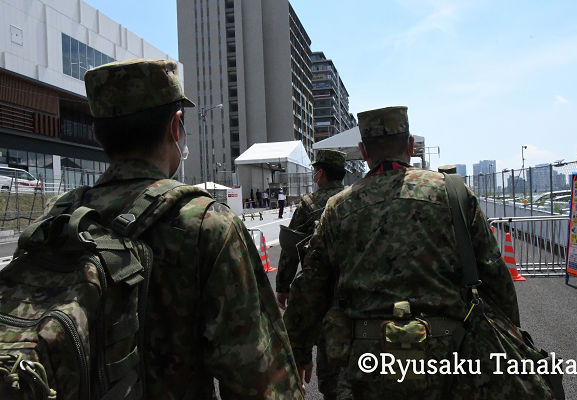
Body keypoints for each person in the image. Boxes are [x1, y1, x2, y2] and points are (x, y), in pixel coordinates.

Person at [76, 59, 302, 399]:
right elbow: (258, 378)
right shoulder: (207, 224)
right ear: (175, 126)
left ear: (97, 134)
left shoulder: (58, 221)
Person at [284, 106, 522, 399]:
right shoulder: (454, 194)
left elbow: (311, 289)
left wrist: (299, 351)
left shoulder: (338, 208)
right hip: (450, 358)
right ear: (410, 145)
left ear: (364, 151)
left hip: (363, 363)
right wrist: (511, 345)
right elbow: (495, 276)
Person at [276, 149, 347, 400]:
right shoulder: (356, 199)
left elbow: (290, 249)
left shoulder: (310, 204)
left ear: (321, 174)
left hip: (320, 294)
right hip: (357, 297)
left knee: (330, 370)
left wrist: (283, 285)